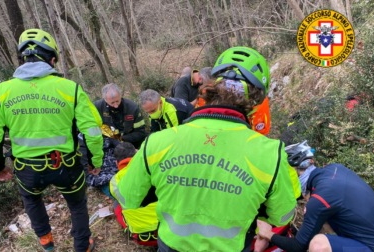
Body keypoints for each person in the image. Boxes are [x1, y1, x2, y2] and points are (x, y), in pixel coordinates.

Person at [115, 46, 298, 251]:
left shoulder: (157, 143)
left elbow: (126, 198)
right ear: (256, 101)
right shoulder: (270, 153)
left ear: (210, 87)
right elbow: (282, 214)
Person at [0, 28, 103, 252]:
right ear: (52, 59)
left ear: (24, 58)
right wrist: (95, 161)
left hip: (27, 168)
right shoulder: (69, 89)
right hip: (66, 164)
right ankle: (82, 246)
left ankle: (47, 243)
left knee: (32, 201)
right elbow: (92, 130)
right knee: (76, 204)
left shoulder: (1, 92)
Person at [257, 141, 374, 252]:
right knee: (321, 224)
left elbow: (298, 247)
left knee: (318, 245)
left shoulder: (320, 199)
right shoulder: (335, 169)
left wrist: (268, 234)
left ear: (294, 172)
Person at [93, 83, 147, 149]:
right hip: (106, 143)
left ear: (120, 96)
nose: (116, 105)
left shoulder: (132, 108)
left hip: (130, 143)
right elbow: (90, 130)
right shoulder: (97, 108)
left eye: (117, 101)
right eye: (112, 103)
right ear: (105, 100)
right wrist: (108, 138)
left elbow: (140, 133)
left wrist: (121, 139)